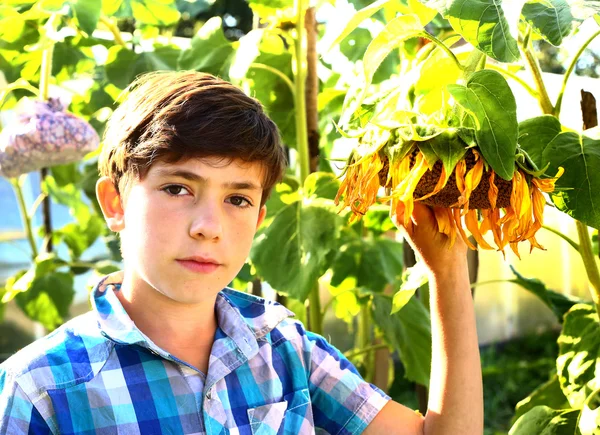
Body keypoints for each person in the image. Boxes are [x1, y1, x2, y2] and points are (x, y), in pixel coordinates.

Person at [0, 71, 483, 434]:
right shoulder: (41, 390)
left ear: (259, 215)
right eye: (177, 189)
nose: (209, 227)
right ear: (115, 203)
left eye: (237, 199)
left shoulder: (284, 348)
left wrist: (445, 268)